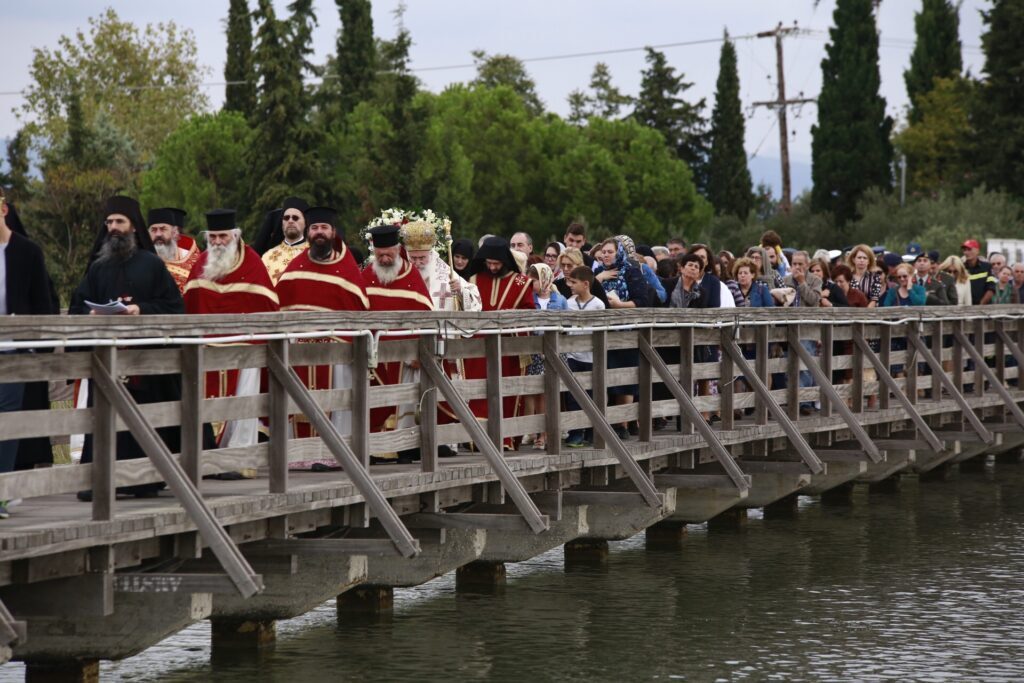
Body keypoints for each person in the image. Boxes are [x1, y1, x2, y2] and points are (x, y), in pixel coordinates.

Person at [70, 195, 184, 501]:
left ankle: (143, 480)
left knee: (141, 421)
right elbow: (76, 307)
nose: (113, 228)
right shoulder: (97, 266)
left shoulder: (152, 265)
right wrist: (91, 314)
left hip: (144, 363)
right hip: (107, 359)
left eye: (119, 222)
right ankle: (100, 480)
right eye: (109, 223)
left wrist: (140, 310)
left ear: (133, 225)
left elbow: (175, 308)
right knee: (105, 420)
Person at [276, 207, 369, 468]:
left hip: (337, 352)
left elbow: (359, 307)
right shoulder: (296, 267)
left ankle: (336, 455)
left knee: (338, 399)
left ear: (333, 233)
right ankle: (301, 455)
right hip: (301, 351)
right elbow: (280, 305)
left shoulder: (347, 267)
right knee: (299, 398)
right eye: (315, 228)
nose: (319, 233)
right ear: (308, 233)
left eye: (323, 228)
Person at [184, 209, 280, 450]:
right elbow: (189, 304)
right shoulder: (201, 264)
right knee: (205, 404)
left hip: (244, 350)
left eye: (222, 237)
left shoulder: (253, 262)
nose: (217, 242)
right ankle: (208, 456)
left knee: (243, 406)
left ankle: (240, 457)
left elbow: (268, 305)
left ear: (235, 236)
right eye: (213, 237)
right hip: (207, 350)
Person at [0, 188, 55, 515]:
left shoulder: (27, 252)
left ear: (3, 209)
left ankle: (3, 490)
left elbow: (43, 304)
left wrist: (38, 348)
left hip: (15, 350)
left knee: (6, 421)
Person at [362, 224, 434, 463]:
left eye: (388, 254)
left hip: (404, 357)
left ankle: (403, 448)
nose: (383, 258)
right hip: (374, 355)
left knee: (404, 403)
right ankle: (374, 449)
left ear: (397, 250)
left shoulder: (412, 276)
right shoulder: (366, 276)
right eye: (379, 254)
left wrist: (419, 350)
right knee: (372, 404)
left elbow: (426, 315)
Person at [465, 237, 537, 449]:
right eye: (489, 263)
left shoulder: (521, 283)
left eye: (496, 263)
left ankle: (505, 438)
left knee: (506, 392)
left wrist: (511, 319)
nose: (492, 267)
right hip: (479, 349)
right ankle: (477, 439)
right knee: (478, 392)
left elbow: (529, 314)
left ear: (505, 260)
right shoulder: (474, 280)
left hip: (508, 349)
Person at [524, 263, 568, 450]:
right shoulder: (528, 299)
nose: (530, 283)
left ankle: (548, 433)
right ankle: (539, 433)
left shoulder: (559, 300)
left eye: (533, 280)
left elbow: (567, 325)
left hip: (553, 349)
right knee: (537, 392)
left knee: (549, 392)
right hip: (534, 351)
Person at [563, 266, 605, 448]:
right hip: (573, 355)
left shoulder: (598, 305)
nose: (570, 285)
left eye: (574, 282)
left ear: (585, 284)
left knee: (591, 394)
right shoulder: (569, 303)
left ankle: (590, 430)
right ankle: (575, 431)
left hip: (591, 357)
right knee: (572, 394)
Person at [403, 220, 481, 312]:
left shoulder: (444, 271)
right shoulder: (402, 268)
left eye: (422, 257)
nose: (417, 262)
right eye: (413, 258)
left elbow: (476, 303)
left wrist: (460, 290)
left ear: (430, 254)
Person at [783, 251, 823, 415]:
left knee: (806, 365)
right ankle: (792, 399)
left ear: (807, 265)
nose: (797, 267)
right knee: (788, 365)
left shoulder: (815, 280)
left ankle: (805, 401)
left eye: (800, 264)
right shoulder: (785, 280)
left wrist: (801, 283)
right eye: (794, 264)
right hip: (788, 328)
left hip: (807, 328)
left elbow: (813, 300)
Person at [148, 207, 200, 293]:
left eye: (163, 229)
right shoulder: (140, 258)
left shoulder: (188, 256)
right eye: (153, 230)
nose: (158, 234)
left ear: (174, 233)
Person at [261, 197, 310, 285]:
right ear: (282, 223)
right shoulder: (267, 257)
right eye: (286, 218)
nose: (290, 221)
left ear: (305, 222)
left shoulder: (314, 254)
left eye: (295, 218)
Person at [960, 239, 995, 306]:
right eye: (965, 250)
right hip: (965, 309)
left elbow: (991, 289)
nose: (966, 252)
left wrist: (980, 306)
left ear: (977, 251)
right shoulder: (961, 268)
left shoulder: (987, 267)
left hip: (984, 309)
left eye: (969, 249)